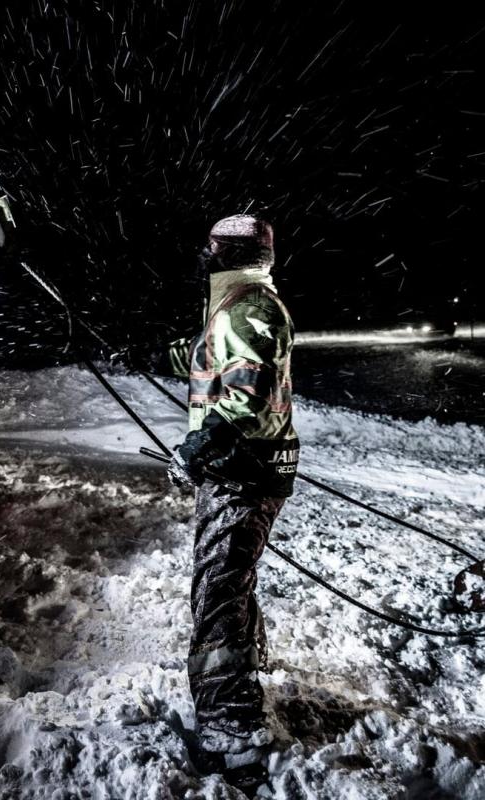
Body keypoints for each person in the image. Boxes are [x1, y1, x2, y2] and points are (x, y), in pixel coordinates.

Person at [166, 214, 299, 794]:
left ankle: (233, 733)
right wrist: (191, 357)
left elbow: (247, 395)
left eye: (210, 249)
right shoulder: (243, 302)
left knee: (218, 594)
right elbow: (231, 368)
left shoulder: (245, 306)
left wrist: (200, 444)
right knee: (231, 583)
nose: (202, 257)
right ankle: (241, 691)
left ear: (227, 254)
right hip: (247, 471)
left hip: (241, 475)